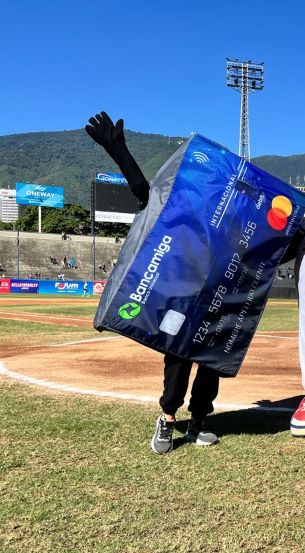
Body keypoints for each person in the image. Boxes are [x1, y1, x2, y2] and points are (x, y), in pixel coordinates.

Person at [86, 111, 219, 454]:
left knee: (211, 361)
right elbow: (143, 189)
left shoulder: (220, 218)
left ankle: (199, 421)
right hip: (177, 299)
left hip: (210, 300)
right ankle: (168, 418)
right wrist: (119, 151)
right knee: (176, 360)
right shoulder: (172, 210)